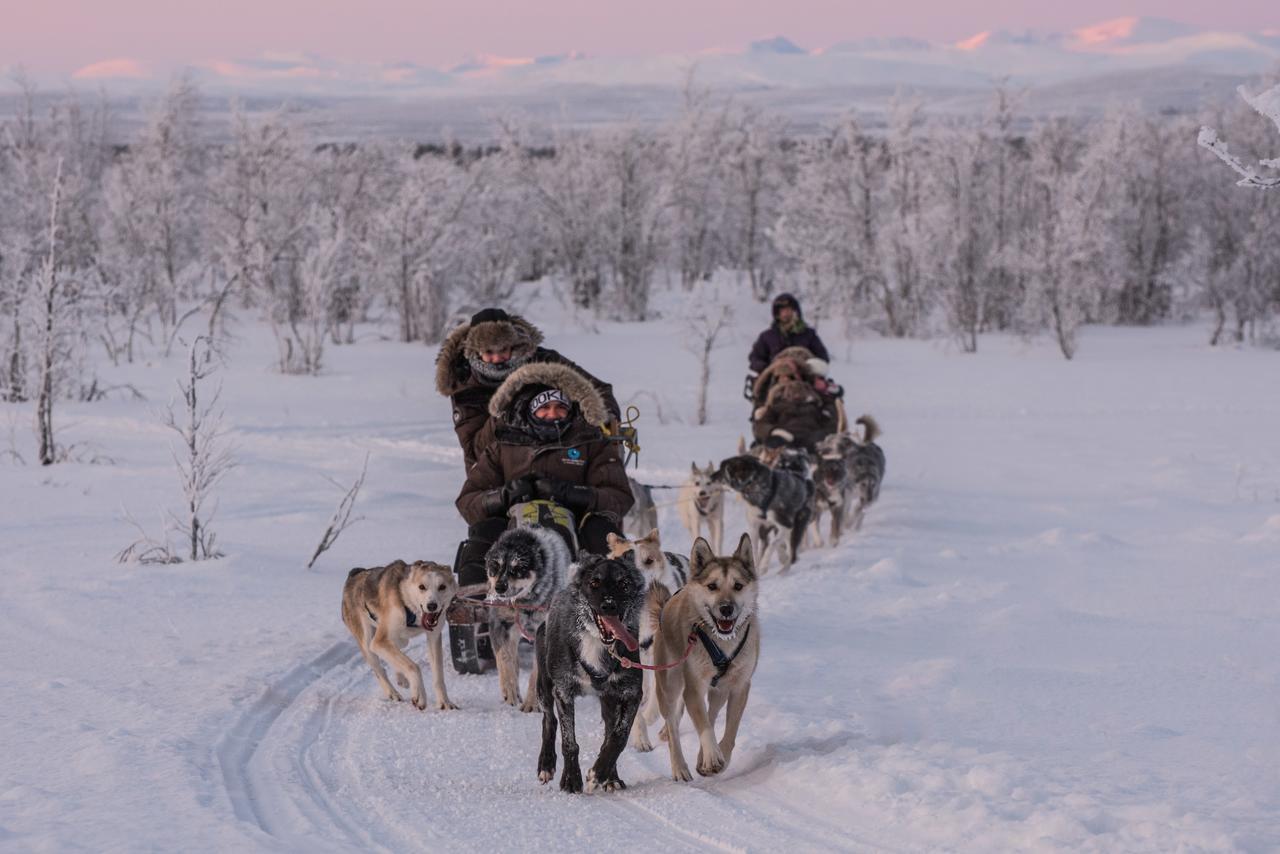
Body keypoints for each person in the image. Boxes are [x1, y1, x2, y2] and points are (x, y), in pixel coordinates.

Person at [453, 362, 634, 588]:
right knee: (484, 531)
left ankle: (615, 602)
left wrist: (575, 494)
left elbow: (619, 497)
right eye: (544, 407)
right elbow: (468, 501)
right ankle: (474, 605)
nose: (553, 413)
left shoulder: (591, 441)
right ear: (529, 409)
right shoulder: (503, 444)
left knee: (603, 533)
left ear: (571, 409)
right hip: (511, 520)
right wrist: (504, 496)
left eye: (560, 406)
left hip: (577, 522)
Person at [435, 308, 621, 470]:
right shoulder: (464, 383)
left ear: (514, 346)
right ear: (475, 352)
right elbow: (474, 450)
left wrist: (606, 419)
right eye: (489, 352)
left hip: (558, 450)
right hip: (495, 468)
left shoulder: (543, 359)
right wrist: (503, 412)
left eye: (503, 350)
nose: (498, 358)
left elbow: (598, 388)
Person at [745, 293, 830, 399]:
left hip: (806, 378)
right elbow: (754, 358)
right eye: (782, 310)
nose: (785, 313)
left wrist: (809, 367)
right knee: (759, 409)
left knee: (829, 400)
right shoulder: (767, 336)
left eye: (789, 309)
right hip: (775, 379)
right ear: (777, 314)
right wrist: (770, 368)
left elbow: (823, 356)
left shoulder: (809, 334)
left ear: (796, 311)